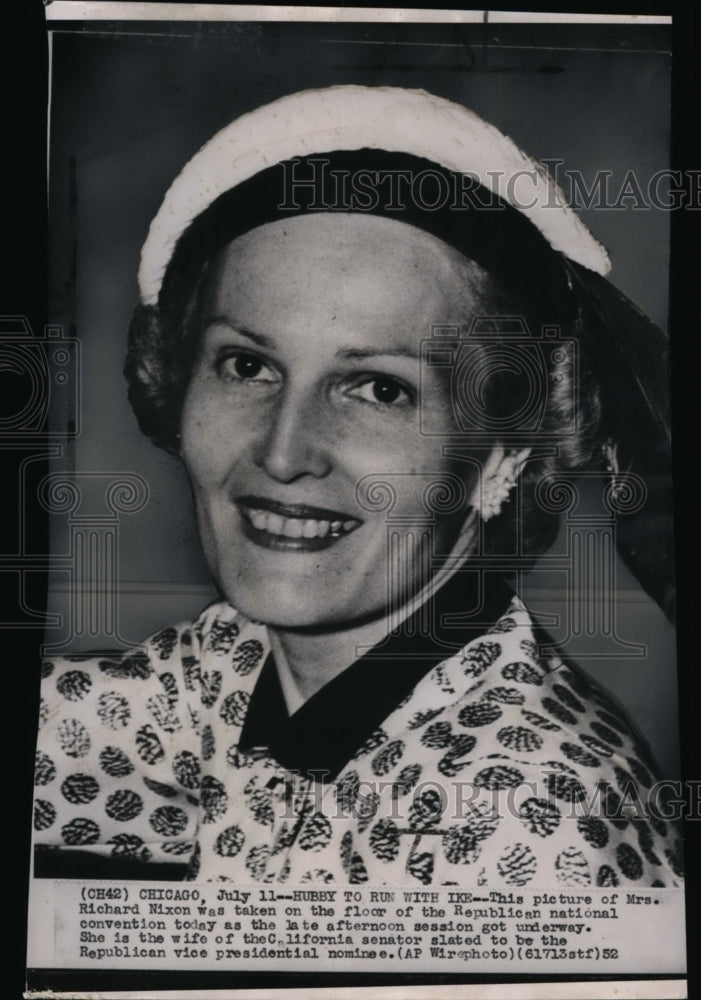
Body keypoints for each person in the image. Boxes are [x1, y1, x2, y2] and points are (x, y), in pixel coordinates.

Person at [33, 86, 681, 887]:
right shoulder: (225, 671)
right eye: (247, 366)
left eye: (378, 388)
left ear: (502, 455)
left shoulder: (534, 822)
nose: (282, 452)